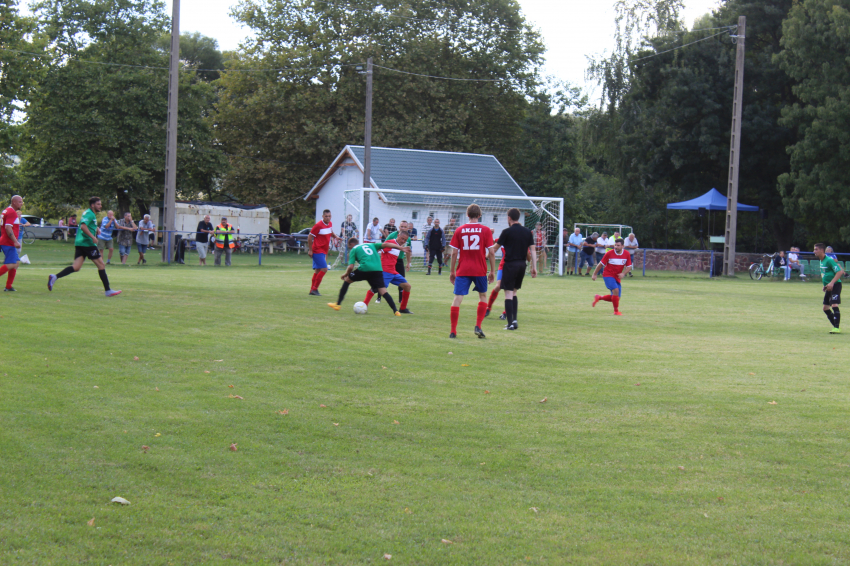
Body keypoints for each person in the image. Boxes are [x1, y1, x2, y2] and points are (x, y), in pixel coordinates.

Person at [47, 197, 122, 297]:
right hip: (88, 243)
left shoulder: (89, 213)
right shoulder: (89, 213)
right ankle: (108, 290)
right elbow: (83, 226)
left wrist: (96, 228)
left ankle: (54, 277)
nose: (100, 206)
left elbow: (86, 224)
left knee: (76, 267)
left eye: (100, 204)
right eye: (98, 204)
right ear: (92, 205)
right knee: (101, 265)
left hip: (80, 243)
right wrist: (92, 237)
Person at [448, 204, 496, 339]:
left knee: (457, 298)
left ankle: (453, 331)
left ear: (467, 215)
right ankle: (478, 326)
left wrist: (452, 271)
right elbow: (491, 252)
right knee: (482, 296)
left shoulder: (459, 230)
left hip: (463, 269)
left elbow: (454, 253)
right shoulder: (485, 230)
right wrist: (492, 271)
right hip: (480, 269)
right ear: (479, 215)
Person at [327, 237, 405, 315]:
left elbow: (350, 267)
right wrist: (400, 248)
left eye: (349, 247)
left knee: (347, 280)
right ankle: (396, 311)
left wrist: (345, 274)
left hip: (365, 268)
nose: (350, 249)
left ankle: (338, 304)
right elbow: (386, 244)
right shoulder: (371, 245)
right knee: (383, 291)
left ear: (351, 244)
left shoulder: (354, 249)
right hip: (378, 269)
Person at [494, 208, 537, 330]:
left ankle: (510, 323)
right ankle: (515, 320)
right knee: (514, 292)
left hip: (510, 265)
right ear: (518, 217)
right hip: (522, 265)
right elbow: (532, 250)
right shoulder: (527, 232)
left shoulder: (506, 232)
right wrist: (534, 267)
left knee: (508, 293)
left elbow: (495, 249)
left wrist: (486, 253)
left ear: (509, 218)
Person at [363, 229, 414, 313]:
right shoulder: (390, 243)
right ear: (398, 235)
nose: (403, 241)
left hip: (393, 272)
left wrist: (408, 263)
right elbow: (379, 248)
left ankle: (403, 308)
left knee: (407, 286)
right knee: (376, 289)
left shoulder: (399, 245)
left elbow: (408, 250)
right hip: (385, 272)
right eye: (402, 238)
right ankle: (364, 305)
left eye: (405, 240)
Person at [591, 238, 632, 315]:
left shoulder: (626, 254)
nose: (616, 247)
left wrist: (623, 273)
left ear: (623, 246)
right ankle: (616, 311)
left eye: (618, 245)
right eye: (615, 245)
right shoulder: (609, 253)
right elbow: (600, 264)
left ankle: (599, 297)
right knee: (616, 291)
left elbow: (629, 266)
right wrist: (594, 274)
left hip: (617, 276)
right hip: (608, 275)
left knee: (616, 297)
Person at [306, 209, 340, 296]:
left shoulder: (330, 224)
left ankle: (311, 290)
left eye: (329, 216)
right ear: (323, 216)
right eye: (326, 216)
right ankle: (314, 289)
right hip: (317, 250)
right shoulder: (318, 225)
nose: (328, 218)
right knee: (324, 269)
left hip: (324, 250)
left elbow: (330, 232)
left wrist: (336, 236)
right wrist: (310, 250)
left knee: (317, 270)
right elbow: (310, 238)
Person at [814, 242, 845, 334]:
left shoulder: (829, 260)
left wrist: (831, 283)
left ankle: (836, 328)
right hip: (829, 286)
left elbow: (839, 272)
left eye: (816, 249)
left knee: (834, 304)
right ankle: (835, 326)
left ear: (822, 250)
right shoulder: (821, 260)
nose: (814, 251)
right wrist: (825, 285)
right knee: (825, 308)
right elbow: (826, 274)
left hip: (835, 285)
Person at [381, 221, 413, 307]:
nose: (403, 228)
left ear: (407, 228)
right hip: (387, 265)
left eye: (404, 227)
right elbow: (383, 246)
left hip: (399, 261)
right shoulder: (392, 236)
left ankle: (401, 302)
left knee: (405, 284)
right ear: (399, 227)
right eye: (401, 226)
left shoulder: (408, 239)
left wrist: (408, 263)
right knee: (380, 286)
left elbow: (408, 251)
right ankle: (377, 298)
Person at [0, 195, 23, 291]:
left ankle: (8, 286)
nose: (21, 203)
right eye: (20, 202)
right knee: (12, 263)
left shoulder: (6, 210)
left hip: (6, 241)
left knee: (16, 262)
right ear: (14, 202)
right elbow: (8, 228)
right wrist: (15, 241)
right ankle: (8, 286)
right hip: (8, 242)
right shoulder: (12, 212)